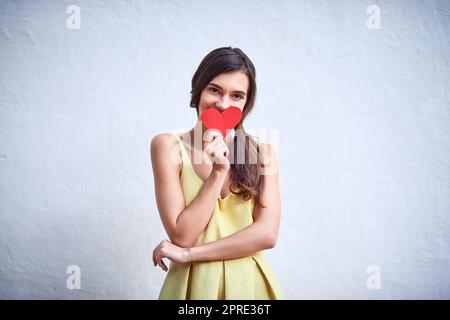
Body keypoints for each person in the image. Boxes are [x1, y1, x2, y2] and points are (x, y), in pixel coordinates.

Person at [150, 46, 285, 299]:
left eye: (237, 95)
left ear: (246, 103)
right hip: (192, 287)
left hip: (250, 287)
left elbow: (267, 234)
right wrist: (218, 172)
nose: (223, 104)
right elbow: (183, 235)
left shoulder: (264, 153)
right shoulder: (168, 146)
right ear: (198, 90)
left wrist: (189, 255)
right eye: (214, 90)